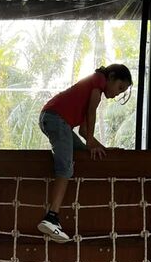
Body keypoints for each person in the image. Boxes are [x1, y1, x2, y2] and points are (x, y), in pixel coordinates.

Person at [37, 63, 133, 242]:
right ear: (111, 77)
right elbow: (91, 113)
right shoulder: (98, 80)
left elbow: (83, 131)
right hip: (56, 119)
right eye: (119, 87)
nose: (116, 94)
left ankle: (52, 218)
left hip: (54, 119)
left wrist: (102, 149)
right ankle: (51, 217)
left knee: (82, 151)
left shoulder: (89, 88)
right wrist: (91, 141)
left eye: (121, 93)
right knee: (65, 168)